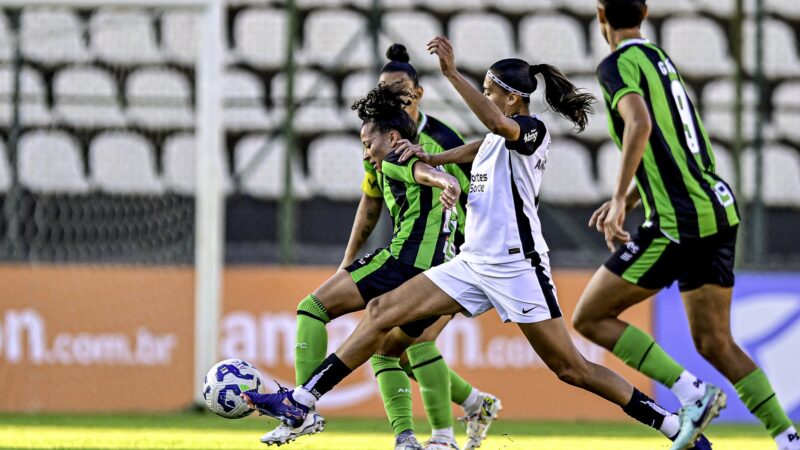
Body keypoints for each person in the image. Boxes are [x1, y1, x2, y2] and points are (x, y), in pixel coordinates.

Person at [244, 36, 712, 450]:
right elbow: (473, 148)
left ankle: (670, 423)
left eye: (489, 92)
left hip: (517, 265)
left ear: (511, 97)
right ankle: (302, 402)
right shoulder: (496, 137)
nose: (486, 100)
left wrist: (451, 73)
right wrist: (428, 154)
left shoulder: (531, 131)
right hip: (471, 263)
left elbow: (496, 128)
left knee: (571, 368)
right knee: (381, 313)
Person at [570, 1, 800, 450]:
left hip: (681, 222)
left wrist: (620, 200)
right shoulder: (661, 60)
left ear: (601, 16)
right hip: (717, 207)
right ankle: (788, 438)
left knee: (591, 316)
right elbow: (672, 148)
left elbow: (639, 124)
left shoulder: (616, 65)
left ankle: (692, 394)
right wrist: (631, 197)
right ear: (646, 12)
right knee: (715, 340)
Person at [261, 80, 473, 450]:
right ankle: (407, 438)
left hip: (401, 263)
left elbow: (422, 172)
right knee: (386, 350)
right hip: (437, 281)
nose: (365, 154)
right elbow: (422, 173)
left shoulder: (396, 157)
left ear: (391, 137)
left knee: (312, 308)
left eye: (367, 144)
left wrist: (442, 180)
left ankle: (299, 406)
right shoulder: (414, 153)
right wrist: (445, 180)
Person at [336, 43, 501, 450]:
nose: (392, 96)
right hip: (413, 256)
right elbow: (371, 203)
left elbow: (482, 185)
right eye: (384, 88)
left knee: (413, 342)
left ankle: (442, 438)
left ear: (418, 92)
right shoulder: (375, 141)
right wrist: (347, 261)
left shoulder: (442, 137)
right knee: (400, 349)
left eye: (400, 89)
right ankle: (475, 404)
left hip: (459, 256)